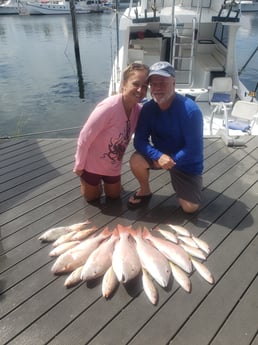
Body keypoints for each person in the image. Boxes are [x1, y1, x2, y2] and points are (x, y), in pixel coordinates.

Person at [127, 61, 203, 213]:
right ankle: (145, 190)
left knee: (190, 208)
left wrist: (171, 161)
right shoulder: (148, 108)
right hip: (161, 156)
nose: (157, 88)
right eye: (153, 84)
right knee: (136, 160)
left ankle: (189, 185)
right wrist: (159, 156)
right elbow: (139, 141)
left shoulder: (190, 110)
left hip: (186, 162)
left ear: (173, 83)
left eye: (162, 83)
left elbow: (193, 150)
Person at [73, 63, 149, 202]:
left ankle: (104, 184)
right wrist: (79, 164)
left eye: (144, 86)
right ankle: (90, 184)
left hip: (113, 165)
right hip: (92, 164)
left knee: (114, 198)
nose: (140, 89)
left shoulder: (138, 110)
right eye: (136, 84)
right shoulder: (109, 107)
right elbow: (85, 136)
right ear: (124, 84)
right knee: (91, 199)